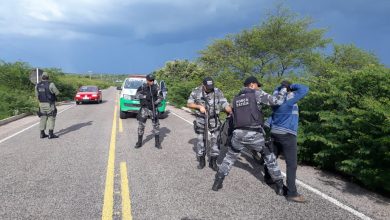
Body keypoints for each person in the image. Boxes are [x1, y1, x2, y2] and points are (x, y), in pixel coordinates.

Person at [212, 76, 287, 196]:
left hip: (238, 134)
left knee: (229, 158)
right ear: (252, 85)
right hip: (254, 133)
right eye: (258, 85)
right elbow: (277, 101)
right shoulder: (256, 93)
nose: (259, 87)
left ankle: (217, 182)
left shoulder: (236, 98)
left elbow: (230, 113)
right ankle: (279, 186)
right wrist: (283, 88)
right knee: (269, 157)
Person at [264, 80, 309, 203]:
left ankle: (268, 177)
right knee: (291, 164)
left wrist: (282, 87)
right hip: (287, 134)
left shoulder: (275, 101)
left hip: (275, 132)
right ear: (288, 90)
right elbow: (305, 89)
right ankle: (292, 193)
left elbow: (276, 91)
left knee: (272, 156)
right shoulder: (290, 100)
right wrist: (292, 86)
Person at [187, 77, 232, 171]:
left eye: (211, 86)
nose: (210, 88)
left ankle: (213, 161)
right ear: (203, 85)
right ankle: (201, 159)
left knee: (216, 140)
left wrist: (229, 110)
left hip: (214, 119)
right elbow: (189, 104)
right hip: (201, 119)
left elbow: (224, 103)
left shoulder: (217, 91)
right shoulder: (196, 91)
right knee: (200, 140)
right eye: (208, 87)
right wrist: (199, 106)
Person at [134, 74, 163, 149]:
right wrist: (145, 96)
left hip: (153, 109)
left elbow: (161, 98)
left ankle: (157, 143)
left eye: (152, 80)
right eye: (150, 80)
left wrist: (155, 102)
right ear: (147, 80)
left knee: (156, 126)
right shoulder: (143, 87)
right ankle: (139, 142)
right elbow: (136, 95)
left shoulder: (157, 88)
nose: (151, 82)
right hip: (144, 109)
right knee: (141, 126)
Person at [35, 72, 60, 139]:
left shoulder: (37, 85)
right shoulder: (51, 84)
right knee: (51, 118)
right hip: (49, 104)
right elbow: (57, 93)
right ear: (48, 77)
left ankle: (42, 134)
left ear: (42, 77)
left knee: (43, 118)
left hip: (41, 104)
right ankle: (50, 134)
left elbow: (37, 96)